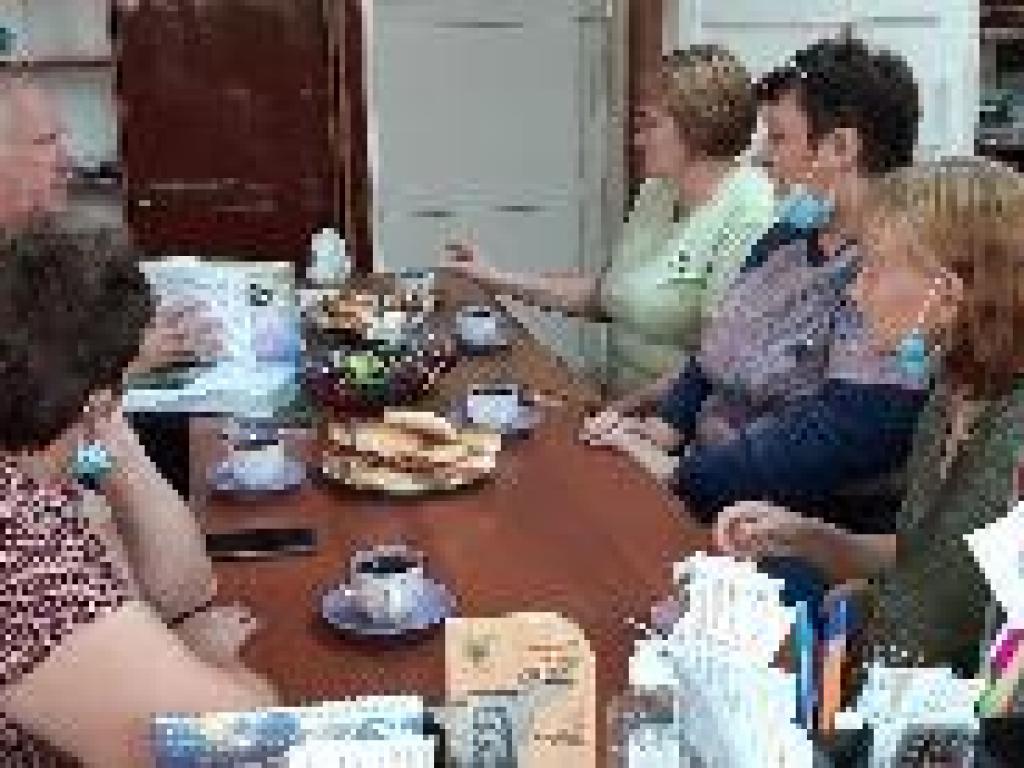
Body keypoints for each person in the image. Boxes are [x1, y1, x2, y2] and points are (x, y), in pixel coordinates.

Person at [584, 37, 928, 537]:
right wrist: (661, 430)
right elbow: (716, 350)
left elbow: (836, 438)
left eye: (779, 138)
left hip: (791, 524)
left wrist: (679, 474)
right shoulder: (785, 238)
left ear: (841, 148)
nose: (764, 156)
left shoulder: (896, 275)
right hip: (703, 478)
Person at [716, 157, 1024, 676]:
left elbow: (960, 637)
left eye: (874, 268)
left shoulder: (1012, 443)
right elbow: (922, 558)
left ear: (947, 298)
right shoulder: (949, 396)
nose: (855, 290)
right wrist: (807, 537)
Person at [0, 222, 277, 767]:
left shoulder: (42, 470)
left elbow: (181, 589)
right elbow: (250, 739)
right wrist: (193, 658)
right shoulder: (22, 545)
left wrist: (103, 428)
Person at [444, 45, 777, 399]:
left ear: (700, 127)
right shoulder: (658, 189)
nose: (637, 140)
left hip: (678, 418)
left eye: (649, 124)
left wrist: (619, 411)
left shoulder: (749, 206)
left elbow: (715, 361)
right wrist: (494, 277)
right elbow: (607, 297)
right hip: (620, 398)